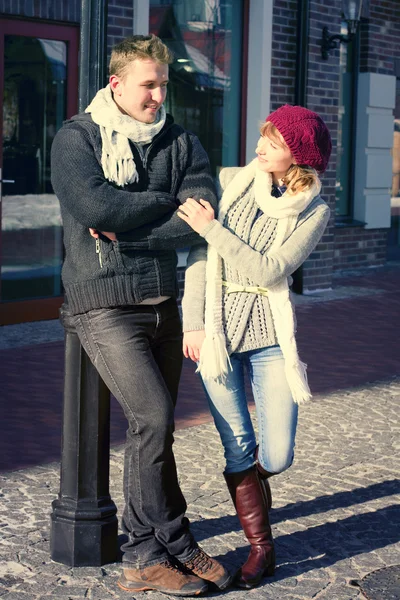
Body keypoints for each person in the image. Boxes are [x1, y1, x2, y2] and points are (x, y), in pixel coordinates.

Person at [51, 34, 231, 597]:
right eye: (148, 85)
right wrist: (165, 202)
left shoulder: (180, 141)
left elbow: (203, 210)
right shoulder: (76, 138)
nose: (158, 96)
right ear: (117, 84)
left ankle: (161, 541)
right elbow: (95, 206)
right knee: (152, 420)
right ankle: (150, 553)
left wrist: (136, 220)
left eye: (163, 85)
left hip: (162, 303)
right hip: (103, 302)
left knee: (155, 432)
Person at [177, 104, 332, 589]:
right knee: (237, 445)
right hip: (218, 333)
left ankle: (251, 482)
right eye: (263, 136)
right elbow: (202, 259)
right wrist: (193, 324)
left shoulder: (314, 210)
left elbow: (269, 270)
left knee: (278, 453)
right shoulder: (231, 183)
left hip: (268, 339)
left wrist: (211, 228)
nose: (261, 146)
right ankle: (261, 549)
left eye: (274, 142)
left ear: (299, 157)